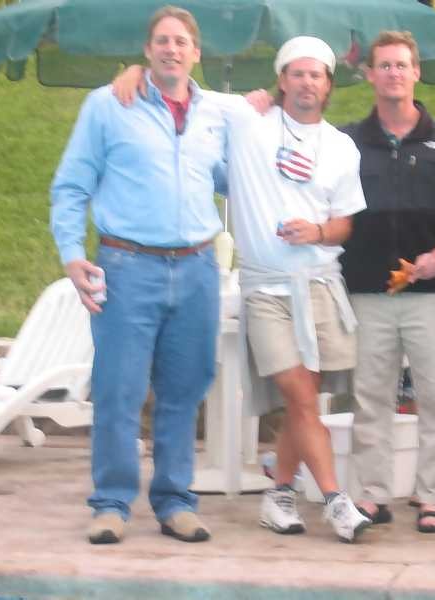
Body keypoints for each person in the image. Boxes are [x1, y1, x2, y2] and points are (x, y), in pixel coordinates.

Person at [111, 36, 373, 543]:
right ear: (281, 80)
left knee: (304, 400)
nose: (306, 83)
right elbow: (178, 82)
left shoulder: (342, 146)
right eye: (297, 73)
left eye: (316, 75)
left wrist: (318, 231)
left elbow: (345, 222)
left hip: (321, 284)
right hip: (266, 287)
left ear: (328, 85)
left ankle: (279, 495)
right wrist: (134, 73)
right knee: (299, 395)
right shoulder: (248, 120)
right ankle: (336, 501)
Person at [51, 6, 227, 545]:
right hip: (127, 268)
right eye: (162, 41)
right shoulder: (107, 106)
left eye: (181, 41)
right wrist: (70, 253)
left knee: (184, 391)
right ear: (148, 51)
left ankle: (175, 502)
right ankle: (111, 503)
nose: (172, 49)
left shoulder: (217, 115)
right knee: (119, 391)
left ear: (196, 53)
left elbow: (236, 175)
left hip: (198, 268)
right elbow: (71, 186)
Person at [341, 31, 435, 534]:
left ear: (416, 72)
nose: (394, 73)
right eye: (384, 65)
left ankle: (434, 496)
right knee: (370, 396)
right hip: (366, 287)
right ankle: (373, 495)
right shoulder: (347, 141)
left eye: (402, 65)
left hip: (431, 292)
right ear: (370, 75)